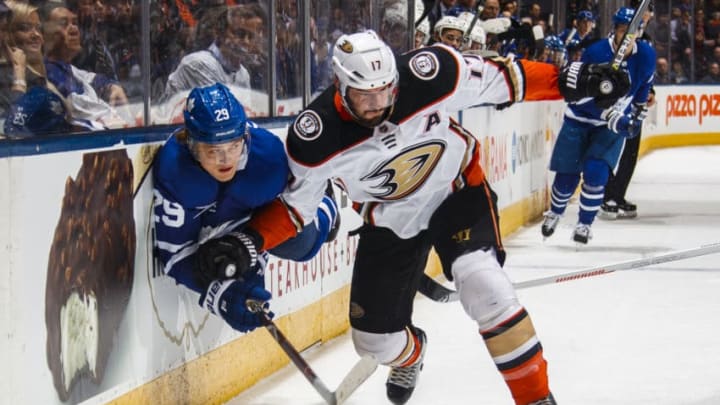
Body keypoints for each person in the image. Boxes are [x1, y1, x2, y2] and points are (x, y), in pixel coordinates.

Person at [208, 29, 628, 404]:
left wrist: (573, 80)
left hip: (456, 191)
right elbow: (297, 211)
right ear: (340, 85)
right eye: (364, 95)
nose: (377, 104)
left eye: (385, 91)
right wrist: (249, 241)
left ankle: (537, 399)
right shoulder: (315, 137)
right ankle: (413, 352)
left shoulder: (430, 73)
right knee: (374, 343)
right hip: (389, 222)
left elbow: (506, 80)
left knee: (485, 285)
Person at [152, 82, 339, 333]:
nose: (226, 159)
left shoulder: (268, 159)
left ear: (245, 137)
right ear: (192, 145)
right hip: (226, 224)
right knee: (226, 265)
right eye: (213, 150)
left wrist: (250, 257)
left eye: (233, 146)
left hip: (262, 213)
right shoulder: (177, 172)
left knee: (303, 244)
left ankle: (326, 207)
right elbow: (176, 256)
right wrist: (223, 293)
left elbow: (294, 209)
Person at [541, 6, 655, 244]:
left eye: (631, 32)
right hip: (580, 120)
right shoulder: (595, 52)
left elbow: (644, 85)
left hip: (609, 126)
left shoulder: (646, 55)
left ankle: (584, 224)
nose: (627, 37)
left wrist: (637, 112)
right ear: (615, 30)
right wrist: (611, 115)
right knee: (567, 177)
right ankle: (555, 212)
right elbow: (579, 93)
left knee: (596, 173)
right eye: (623, 31)